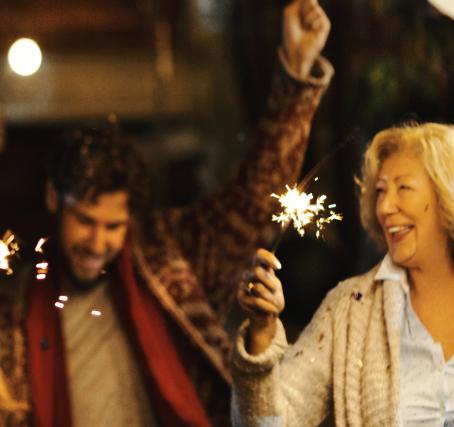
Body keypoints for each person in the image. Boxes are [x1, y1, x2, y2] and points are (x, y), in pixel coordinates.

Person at [0, 1, 332, 425]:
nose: (98, 241)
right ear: (53, 199)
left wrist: (296, 74)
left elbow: (254, 201)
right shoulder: (17, 307)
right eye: (85, 220)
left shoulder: (170, 260)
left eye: (113, 225)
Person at [232, 123, 454, 426]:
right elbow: (270, 422)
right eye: (380, 191)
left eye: (403, 188)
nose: (385, 207)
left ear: (448, 197)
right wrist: (263, 335)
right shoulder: (348, 310)